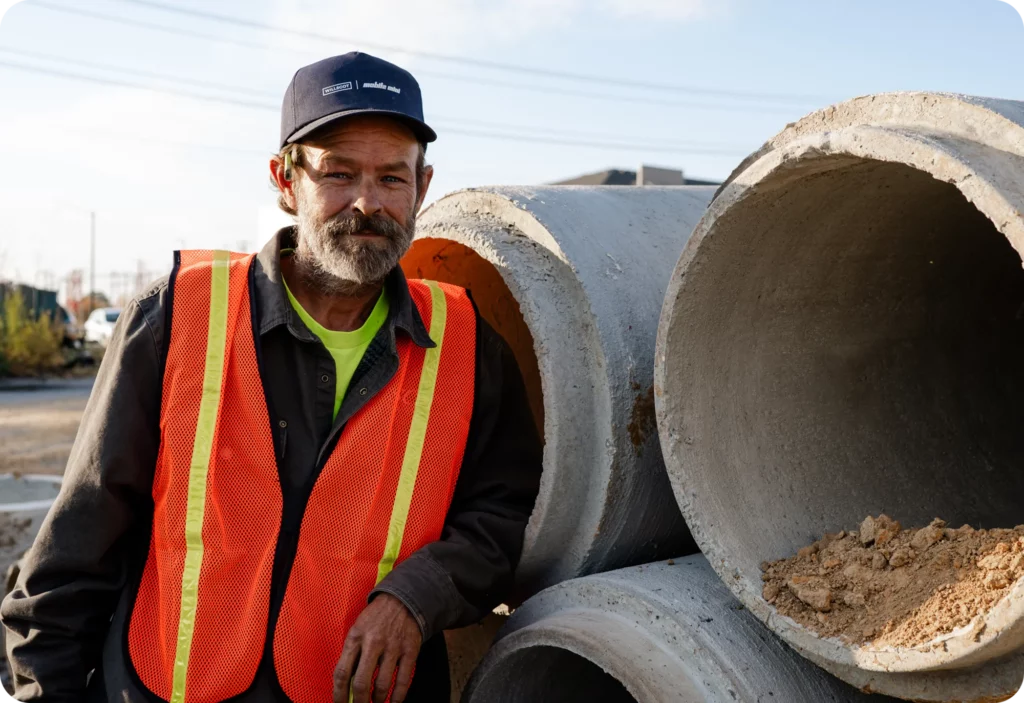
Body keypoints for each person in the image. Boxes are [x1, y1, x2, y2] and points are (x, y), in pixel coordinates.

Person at [1, 52, 543, 703]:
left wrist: (418, 594)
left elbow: (507, 515)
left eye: (391, 178)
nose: (368, 203)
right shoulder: (176, 318)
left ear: (422, 188)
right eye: (338, 173)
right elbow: (74, 552)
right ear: (284, 180)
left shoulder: (468, 347)